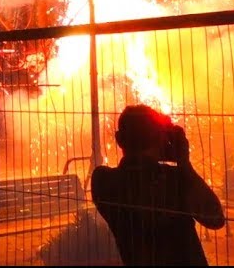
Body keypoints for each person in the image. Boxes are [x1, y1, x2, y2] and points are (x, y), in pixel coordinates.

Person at [91, 105, 225, 266]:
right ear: (161, 138)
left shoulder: (104, 181)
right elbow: (215, 219)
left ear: (119, 139)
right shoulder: (174, 180)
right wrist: (184, 164)